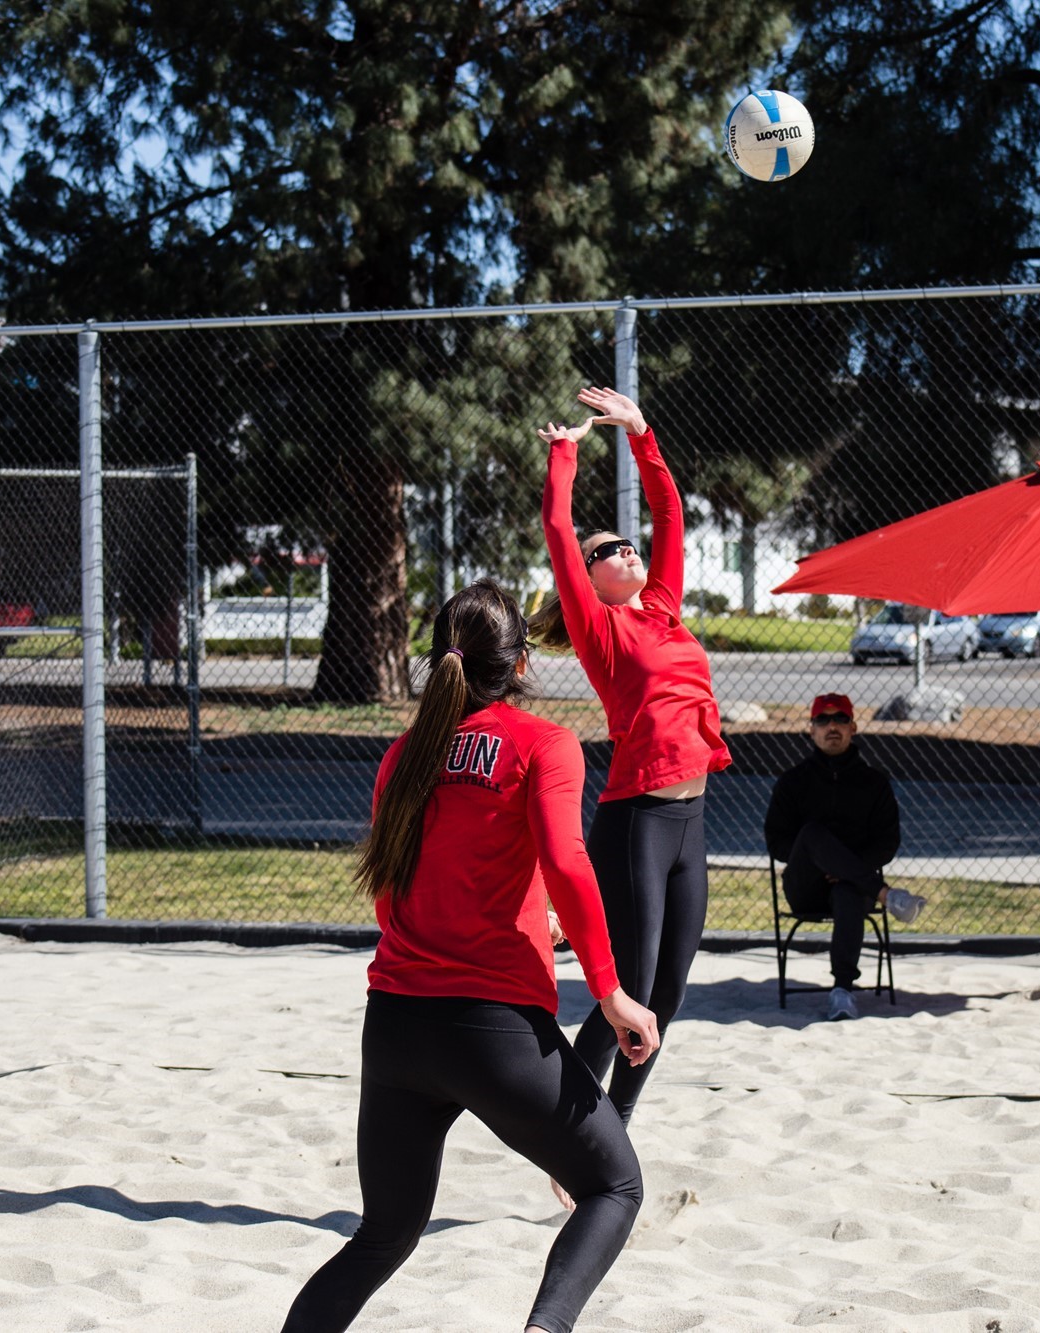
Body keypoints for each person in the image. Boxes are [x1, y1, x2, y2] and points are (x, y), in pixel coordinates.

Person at [282, 580, 661, 1333]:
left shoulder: (404, 756)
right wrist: (611, 991)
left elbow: (397, 898)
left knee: (383, 1234)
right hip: (490, 1030)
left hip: (394, 1026)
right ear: (521, 662)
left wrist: (529, 921)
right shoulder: (543, 742)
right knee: (613, 1187)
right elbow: (568, 860)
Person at [532, 386, 730, 1127]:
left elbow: (671, 513)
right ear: (587, 575)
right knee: (633, 991)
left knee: (670, 993)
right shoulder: (600, 628)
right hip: (638, 820)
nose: (628, 549)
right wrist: (566, 449)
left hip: (692, 818)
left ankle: (611, 1126)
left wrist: (643, 431)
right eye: (609, 549)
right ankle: (573, 1132)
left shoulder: (665, 607)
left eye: (628, 543)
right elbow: (558, 526)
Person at [762, 692, 924, 1021]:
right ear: (811, 729)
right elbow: (777, 843)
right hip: (806, 886)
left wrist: (848, 867)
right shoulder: (793, 782)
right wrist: (819, 859)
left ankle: (842, 990)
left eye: (840, 720)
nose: (831, 726)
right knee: (812, 834)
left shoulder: (874, 783)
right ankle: (888, 896)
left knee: (848, 889)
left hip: (854, 888)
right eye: (823, 720)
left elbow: (887, 843)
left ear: (853, 727)